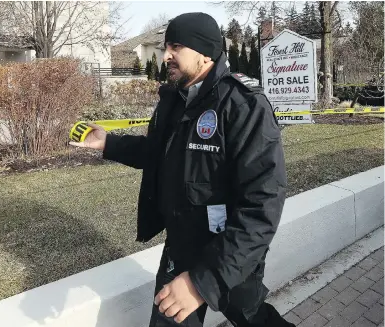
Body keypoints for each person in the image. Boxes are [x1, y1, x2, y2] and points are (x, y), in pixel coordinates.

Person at [70, 12, 295, 327]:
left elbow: (263, 203)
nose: (166, 56)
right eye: (166, 47)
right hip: (181, 244)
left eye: (175, 46)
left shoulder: (243, 105)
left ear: (204, 52)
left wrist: (204, 282)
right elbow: (157, 152)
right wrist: (108, 144)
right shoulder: (174, 99)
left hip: (229, 252)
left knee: (252, 317)